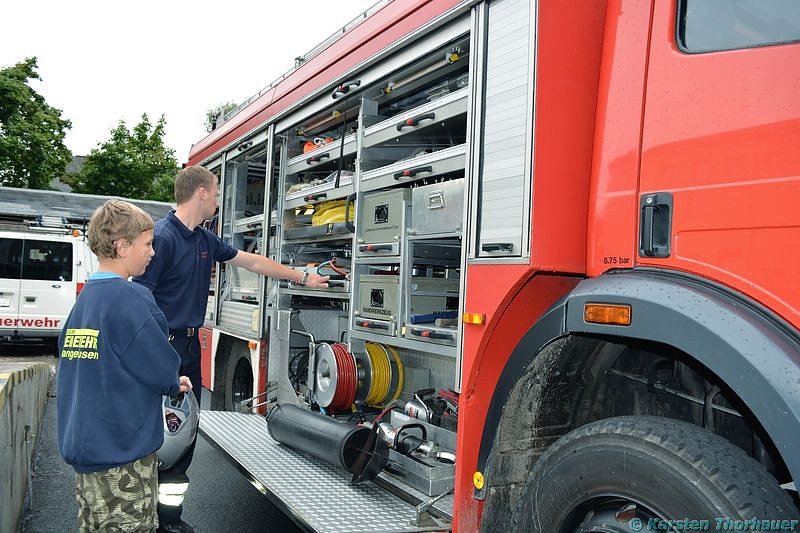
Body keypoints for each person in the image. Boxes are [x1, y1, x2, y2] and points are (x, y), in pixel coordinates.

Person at [133, 165, 328, 533]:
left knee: (184, 431)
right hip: (163, 345)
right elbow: (139, 300)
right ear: (201, 193)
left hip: (188, 346)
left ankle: (169, 521)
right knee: (155, 433)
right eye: (218, 192)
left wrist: (303, 276)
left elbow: (251, 261)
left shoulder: (204, 239)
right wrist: (155, 356)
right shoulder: (162, 238)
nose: (220, 200)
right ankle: (141, 518)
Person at [57, 200, 192, 532]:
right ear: (121, 245)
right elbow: (161, 368)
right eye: (147, 244)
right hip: (121, 456)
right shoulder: (132, 299)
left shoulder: (86, 301)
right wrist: (176, 382)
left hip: (88, 453)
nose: (152, 253)